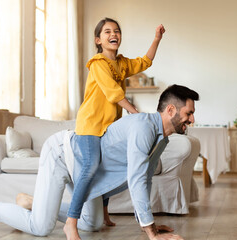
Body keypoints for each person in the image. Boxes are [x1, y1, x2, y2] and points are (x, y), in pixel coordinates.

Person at [0, 84, 199, 240]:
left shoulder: (161, 139)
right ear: (171, 110)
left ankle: (33, 202)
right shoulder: (143, 127)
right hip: (61, 155)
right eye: (188, 113)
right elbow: (136, 178)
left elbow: (145, 179)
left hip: (85, 171)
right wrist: (150, 233)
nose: (192, 119)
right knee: (41, 227)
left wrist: (148, 223)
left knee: (91, 223)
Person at [66, 17, 165, 239]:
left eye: (117, 31)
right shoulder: (98, 63)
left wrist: (157, 38)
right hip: (90, 126)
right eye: (108, 31)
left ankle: (104, 212)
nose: (114, 34)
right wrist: (134, 112)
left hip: (109, 128)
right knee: (91, 166)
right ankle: (71, 222)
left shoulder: (121, 63)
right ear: (98, 40)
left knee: (107, 167)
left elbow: (145, 62)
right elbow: (114, 93)